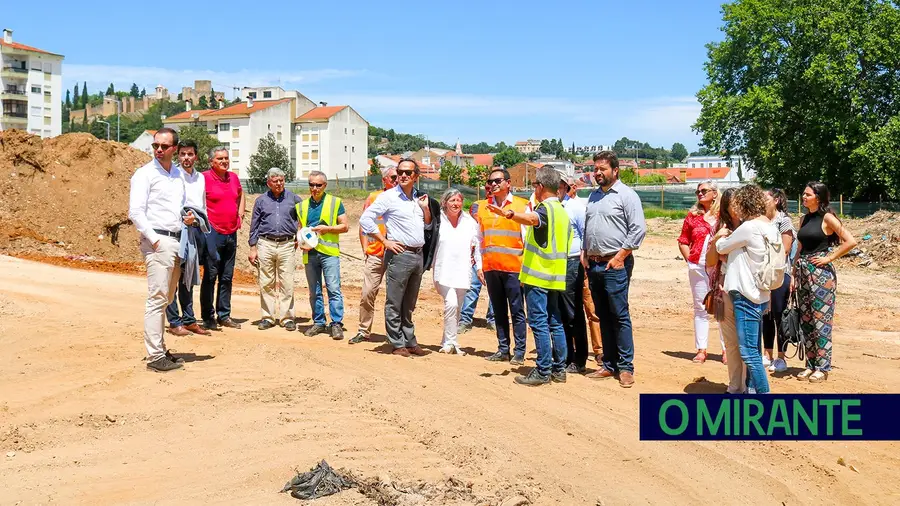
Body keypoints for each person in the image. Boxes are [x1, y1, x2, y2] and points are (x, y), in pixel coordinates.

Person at [488, 166, 570, 386]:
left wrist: (511, 214)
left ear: (541, 187)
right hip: (556, 276)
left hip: (538, 276)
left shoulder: (545, 209)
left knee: (539, 323)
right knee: (555, 322)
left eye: (535, 185)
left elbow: (533, 219)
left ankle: (543, 370)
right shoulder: (562, 211)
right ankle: (559, 369)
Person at [128, 128, 196, 372]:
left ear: (174, 149)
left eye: (164, 146)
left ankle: (160, 347)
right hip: (158, 242)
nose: (158, 149)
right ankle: (155, 356)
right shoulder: (144, 174)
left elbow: (177, 207)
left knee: (166, 298)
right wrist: (154, 239)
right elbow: (135, 211)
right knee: (157, 299)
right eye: (156, 145)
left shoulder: (178, 175)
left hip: (177, 241)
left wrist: (186, 219)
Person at [582, 151, 646, 388]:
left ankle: (626, 367)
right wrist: (584, 253)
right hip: (594, 264)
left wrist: (620, 257)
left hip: (614, 263)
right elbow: (588, 227)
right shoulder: (594, 196)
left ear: (615, 170)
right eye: (596, 169)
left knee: (619, 315)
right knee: (603, 315)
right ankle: (609, 364)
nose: (598, 173)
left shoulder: (627, 195)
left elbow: (638, 230)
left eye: (603, 169)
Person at [359, 158, 433, 357]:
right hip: (399, 255)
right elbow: (365, 219)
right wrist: (384, 241)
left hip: (418, 255)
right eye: (400, 172)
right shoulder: (389, 197)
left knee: (409, 303)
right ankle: (397, 343)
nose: (403, 175)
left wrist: (425, 209)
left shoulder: (419, 198)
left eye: (408, 173)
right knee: (395, 301)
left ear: (416, 176)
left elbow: (427, 225)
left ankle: (410, 341)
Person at [712, 184, 779, 394]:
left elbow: (721, 247)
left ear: (743, 203)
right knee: (754, 347)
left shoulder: (749, 227)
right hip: (761, 294)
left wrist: (719, 236)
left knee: (749, 352)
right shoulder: (770, 225)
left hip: (746, 295)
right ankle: (751, 392)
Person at [793, 182, 857, 383]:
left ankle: (823, 366)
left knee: (821, 321)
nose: (803, 197)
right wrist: (794, 274)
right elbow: (800, 248)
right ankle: (810, 365)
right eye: (803, 194)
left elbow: (850, 241)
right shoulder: (804, 219)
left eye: (807, 194)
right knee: (807, 321)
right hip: (803, 271)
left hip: (821, 275)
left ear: (818, 197)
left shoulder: (827, 218)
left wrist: (829, 258)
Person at [476, 168, 530, 364]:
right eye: (491, 181)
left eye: (498, 180)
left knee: (517, 311)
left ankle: (520, 352)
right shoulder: (484, 207)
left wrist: (526, 269)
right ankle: (503, 349)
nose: (493, 184)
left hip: (514, 269)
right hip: (491, 267)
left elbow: (526, 239)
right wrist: (479, 266)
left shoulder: (522, 206)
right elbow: (479, 238)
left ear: (508, 183)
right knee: (498, 310)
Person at [164, 139, 211, 337]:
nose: (186, 158)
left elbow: (203, 204)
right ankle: (174, 321)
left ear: (196, 157)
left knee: (188, 277)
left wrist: (199, 222)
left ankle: (189, 319)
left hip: (196, 229)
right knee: (173, 278)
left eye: (190, 154)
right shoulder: (174, 176)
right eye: (182, 154)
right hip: (179, 230)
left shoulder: (200, 178)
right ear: (178, 156)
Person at [677, 180, 725, 364]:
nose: (699, 194)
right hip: (698, 266)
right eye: (697, 191)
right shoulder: (692, 216)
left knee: (723, 307)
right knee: (700, 308)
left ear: (714, 193)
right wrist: (690, 259)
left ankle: (726, 349)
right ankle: (701, 349)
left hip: (720, 266)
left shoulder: (724, 215)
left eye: (703, 190)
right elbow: (683, 240)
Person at [248, 168, 302, 331]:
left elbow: (304, 218)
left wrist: (300, 235)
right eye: (275, 181)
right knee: (266, 282)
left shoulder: (294, 199)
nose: (279, 183)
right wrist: (253, 248)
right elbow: (254, 225)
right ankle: (268, 317)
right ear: (268, 183)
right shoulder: (261, 200)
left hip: (287, 245)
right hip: (266, 244)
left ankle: (287, 318)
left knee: (287, 282)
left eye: (281, 180)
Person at [297, 170, 349, 339]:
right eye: (311, 184)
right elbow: (300, 229)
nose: (315, 188)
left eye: (318, 185)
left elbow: (345, 226)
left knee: (333, 289)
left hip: (329, 253)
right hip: (310, 254)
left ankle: (336, 324)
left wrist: (327, 229)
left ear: (325, 185)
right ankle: (319, 322)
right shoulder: (302, 206)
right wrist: (301, 243)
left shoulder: (335, 202)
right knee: (314, 291)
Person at [350, 165, 398, 344]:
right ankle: (364, 330)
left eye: (398, 177)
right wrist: (364, 248)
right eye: (393, 177)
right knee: (368, 293)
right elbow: (364, 224)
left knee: (395, 297)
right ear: (384, 180)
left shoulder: (406, 198)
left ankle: (395, 335)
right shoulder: (374, 197)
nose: (397, 180)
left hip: (397, 254)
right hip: (376, 253)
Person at [433, 189, 482, 355]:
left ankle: (448, 340)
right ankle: (450, 342)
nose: (456, 204)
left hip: (463, 269)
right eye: (452, 200)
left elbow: (477, 247)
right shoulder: (437, 220)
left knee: (457, 309)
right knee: (451, 303)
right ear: (445, 202)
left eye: (458, 200)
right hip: (443, 270)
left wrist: (480, 267)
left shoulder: (469, 222)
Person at [200, 146, 245, 330]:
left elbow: (241, 196)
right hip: (212, 232)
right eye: (220, 159)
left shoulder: (233, 178)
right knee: (210, 275)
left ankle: (224, 315)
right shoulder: (203, 178)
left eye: (226, 158)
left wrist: (240, 215)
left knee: (227, 276)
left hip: (231, 232)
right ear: (211, 162)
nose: (224, 161)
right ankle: (208, 316)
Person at [706, 188, 745, 392]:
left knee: (748, 343)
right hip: (724, 289)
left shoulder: (752, 226)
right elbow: (710, 261)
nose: (737, 207)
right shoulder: (719, 227)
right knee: (731, 343)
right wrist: (716, 240)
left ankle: (749, 386)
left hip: (748, 291)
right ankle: (734, 386)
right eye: (733, 203)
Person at [762, 188, 795, 372]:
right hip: (764, 275)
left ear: (775, 200)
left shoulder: (784, 221)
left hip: (780, 274)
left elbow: (786, 248)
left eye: (765, 197)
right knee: (765, 314)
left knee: (779, 314)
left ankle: (781, 357)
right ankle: (767, 354)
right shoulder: (760, 220)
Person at [558, 176, 589, 373]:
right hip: (555, 263)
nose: (557, 189)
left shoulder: (575, 208)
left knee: (573, 312)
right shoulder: (549, 207)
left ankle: (579, 359)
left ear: (566, 187)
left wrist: (583, 260)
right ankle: (565, 355)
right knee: (559, 312)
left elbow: (585, 234)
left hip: (571, 261)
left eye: (560, 185)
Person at [458, 182, 495, 334]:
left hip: (496, 254)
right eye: (487, 188)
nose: (490, 191)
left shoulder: (507, 207)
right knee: (473, 287)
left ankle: (493, 319)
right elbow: (477, 218)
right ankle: (465, 319)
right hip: (478, 252)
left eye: (492, 188)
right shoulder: (478, 205)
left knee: (495, 291)